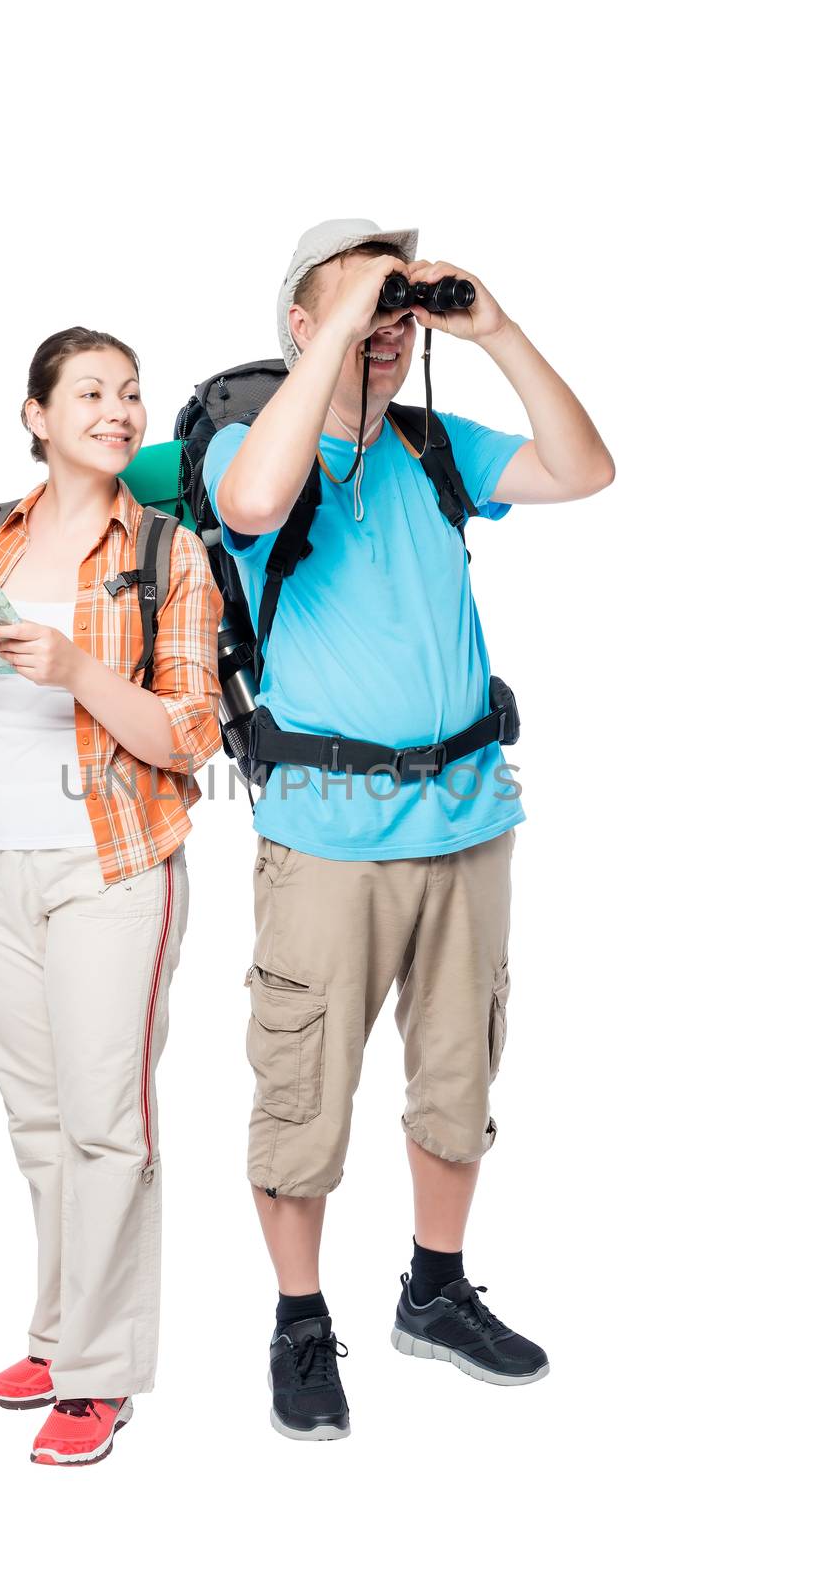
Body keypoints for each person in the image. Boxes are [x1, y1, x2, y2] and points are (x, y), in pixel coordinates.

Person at [202, 220, 615, 1441]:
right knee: (304, 1088)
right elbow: (255, 497)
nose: (389, 324)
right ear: (301, 324)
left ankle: (435, 1290)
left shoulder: (435, 447)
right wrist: (341, 327)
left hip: (470, 816)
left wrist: (488, 329)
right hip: (328, 836)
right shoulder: (247, 439)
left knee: (457, 1072)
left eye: (399, 309)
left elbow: (586, 468)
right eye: (361, 304)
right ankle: (296, 1318)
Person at [0, 326, 222, 1466]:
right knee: (41, 1124)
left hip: (111, 860)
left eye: (130, 394)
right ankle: (58, 1331)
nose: (119, 411)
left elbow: (190, 735)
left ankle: (99, 1374)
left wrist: (79, 668)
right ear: (37, 415)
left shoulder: (169, 552)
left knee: (106, 1124)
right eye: (90, 392)